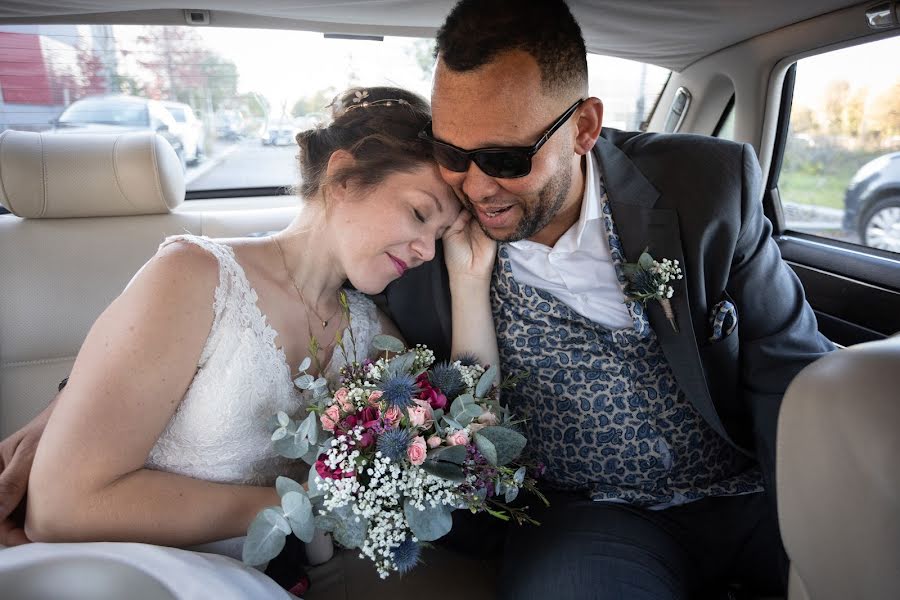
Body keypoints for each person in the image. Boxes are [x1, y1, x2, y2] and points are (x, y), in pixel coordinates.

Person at [382, 1, 836, 599]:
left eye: (505, 158)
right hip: (591, 523)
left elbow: (792, 373)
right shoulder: (419, 248)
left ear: (584, 128)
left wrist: (818, 526)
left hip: (747, 490)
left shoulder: (707, 188)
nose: (475, 185)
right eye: (451, 153)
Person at [0, 86, 498, 596]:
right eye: (419, 214)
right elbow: (61, 508)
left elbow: (475, 435)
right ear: (343, 177)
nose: (424, 250)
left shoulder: (374, 337)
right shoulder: (194, 277)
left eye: (441, 235)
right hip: (117, 575)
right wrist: (302, 500)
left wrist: (469, 279)